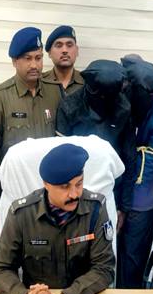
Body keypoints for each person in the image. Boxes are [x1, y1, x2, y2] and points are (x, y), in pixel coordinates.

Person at [0, 143, 115, 294]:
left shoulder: (95, 209)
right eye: (65, 187)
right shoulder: (22, 214)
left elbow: (104, 268)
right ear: (46, 184)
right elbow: (0, 269)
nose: (74, 194)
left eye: (79, 184)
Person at [0, 27, 62, 215]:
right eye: (27, 58)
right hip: (15, 198)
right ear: (15, 61)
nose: (34, 65)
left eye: (38, 58)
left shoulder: (55, 93)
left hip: (51, 197)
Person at [56, 59, 135, 229]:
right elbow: (60, 158)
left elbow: (129, 158)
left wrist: (123, 207)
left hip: (110, 187)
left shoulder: (123, 108)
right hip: (76, 189)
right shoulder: (70, 106)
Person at [118, 56, 153, 288]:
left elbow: (149, 164)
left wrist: (126, 205)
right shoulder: (123, 100)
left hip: (143, 193)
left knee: (134, 252)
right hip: (118, 185)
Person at [43, 25, 83, 95]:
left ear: (77, 51)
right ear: (49, 53)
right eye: (59, 46)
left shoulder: (88, 83)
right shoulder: (40, 83)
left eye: (69, 45)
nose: (64, 50)